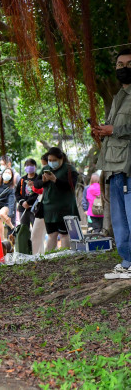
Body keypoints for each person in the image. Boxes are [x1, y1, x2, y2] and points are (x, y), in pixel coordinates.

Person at [92, 48, 131, 276]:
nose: (123, 68)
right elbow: (114, 132)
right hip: (114, 168)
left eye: (128, 64)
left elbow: (120, 130)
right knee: (119, 220)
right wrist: (102, 132)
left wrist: (114, 129)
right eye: (119, 65)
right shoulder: (118, 96)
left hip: (128, 168)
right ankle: (127, 262)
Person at [35, 147, 79, 252]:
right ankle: (48, 258)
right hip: (48, 209)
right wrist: (43, 181)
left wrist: (55, 180)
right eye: (50, 160)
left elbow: (71, 186)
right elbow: (36, 184)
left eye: (54, 160)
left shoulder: (69, 169)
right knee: (51, 235)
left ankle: (63, 256)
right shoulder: (46, 169)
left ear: (61, 159)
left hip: (64, 209)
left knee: (64, 234)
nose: (51, 162)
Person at [0, 167, 16, 241]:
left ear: (11, 176)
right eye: (6, 172)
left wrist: (10, 214)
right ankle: (2, 246)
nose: (7, 174)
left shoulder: (11, 188)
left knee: (1, 214)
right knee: (0, 230)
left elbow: (11, 202)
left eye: (9, 173)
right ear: (2, 174)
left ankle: (13, 227)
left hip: (6, 205)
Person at [16, 158, 39, 231]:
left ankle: (35, 243)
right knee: (24, 230)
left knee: (36, 230)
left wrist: (28, 202)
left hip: (35, 209)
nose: (29, 167)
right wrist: (22, 202)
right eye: (27, 165)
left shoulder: (39, 179)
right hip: (23, 209)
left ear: (35, 166)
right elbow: (17, 193)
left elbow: (38, 193)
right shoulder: (22, 179)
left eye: (31, 165)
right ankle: (25, 242)